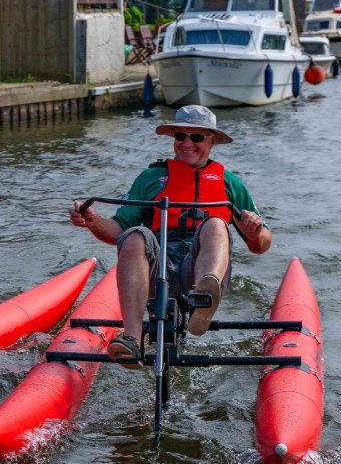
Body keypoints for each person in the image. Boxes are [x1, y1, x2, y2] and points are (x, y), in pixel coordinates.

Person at [68, 104, 271, 368]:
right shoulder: (151, 177)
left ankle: (203, 300)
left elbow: (262, 244)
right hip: (159, 268)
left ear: (212, 141)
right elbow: (116, 230)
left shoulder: (229, 183)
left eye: (197, 137)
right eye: (180, 136)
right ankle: (132, 337)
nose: (187, 144)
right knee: (134, 235)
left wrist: (254, 232)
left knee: (216, 224)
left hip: (201, 268)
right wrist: (93, 221)